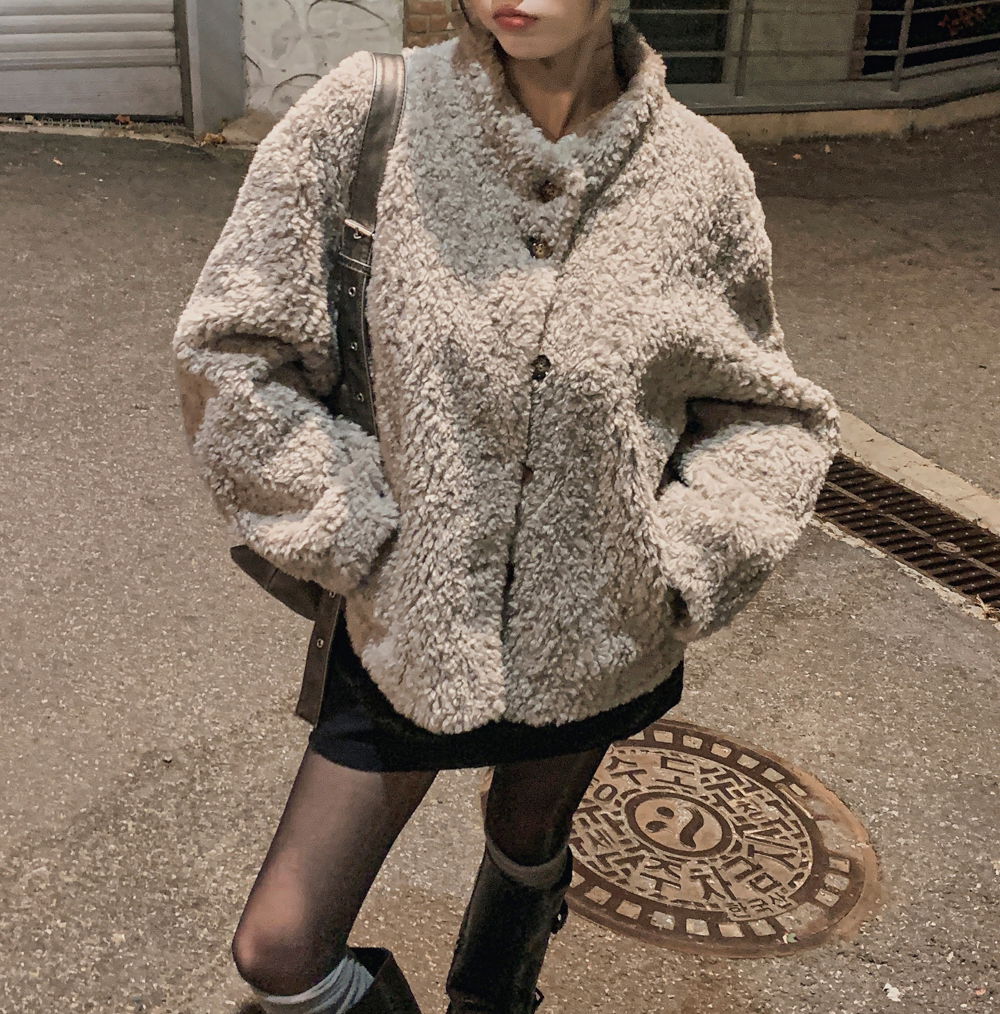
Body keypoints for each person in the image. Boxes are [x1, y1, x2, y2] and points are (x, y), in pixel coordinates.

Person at [170, 0, 841, 1008]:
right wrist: (355, 531)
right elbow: (230, 353)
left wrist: (678, 563)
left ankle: (499, 993)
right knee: (280, 949)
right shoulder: (371, 114)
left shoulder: (699, 176)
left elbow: (767, 414)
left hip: (601, 636)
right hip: (404, 628)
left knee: (528, 834)